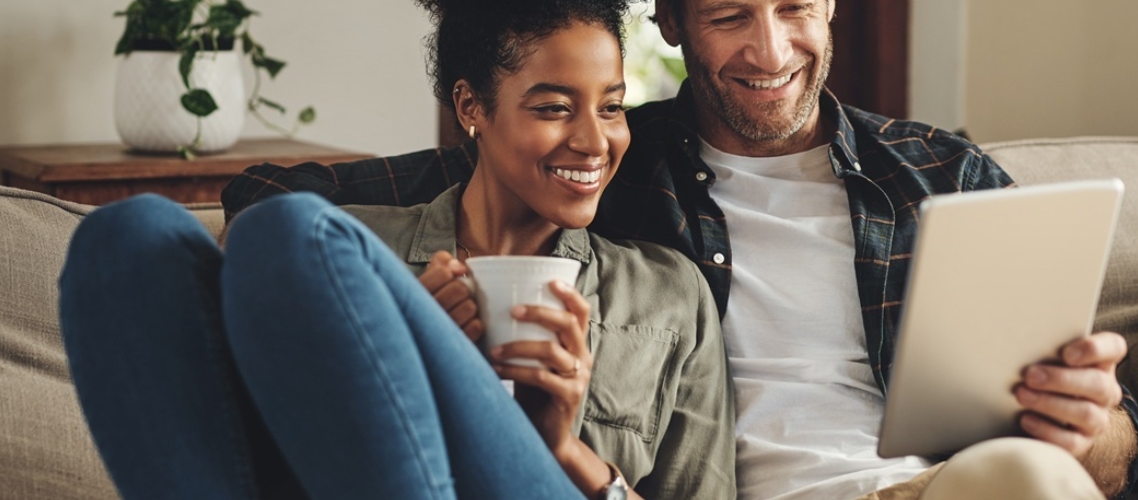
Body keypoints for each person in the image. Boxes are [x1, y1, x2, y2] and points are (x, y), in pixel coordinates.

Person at [222, 0, 1138, 498]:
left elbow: (1115, 454)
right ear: (670, 20)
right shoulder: (611, 162)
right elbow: (274, 205)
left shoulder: (940, 172)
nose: (770, 48)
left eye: (794, 7)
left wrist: (1089, 421)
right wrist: (397, 294)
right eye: (731, 14)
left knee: (1034, 473)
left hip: (946, 492)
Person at [59, 0, 735, 498]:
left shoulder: (669, 295)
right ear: (471, 106)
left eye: (612, 107)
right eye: (554, 108)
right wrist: (395, 348)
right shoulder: (357, 259)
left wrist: (563, 450)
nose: (594, 142)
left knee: (287, 230)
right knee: (124, 237)